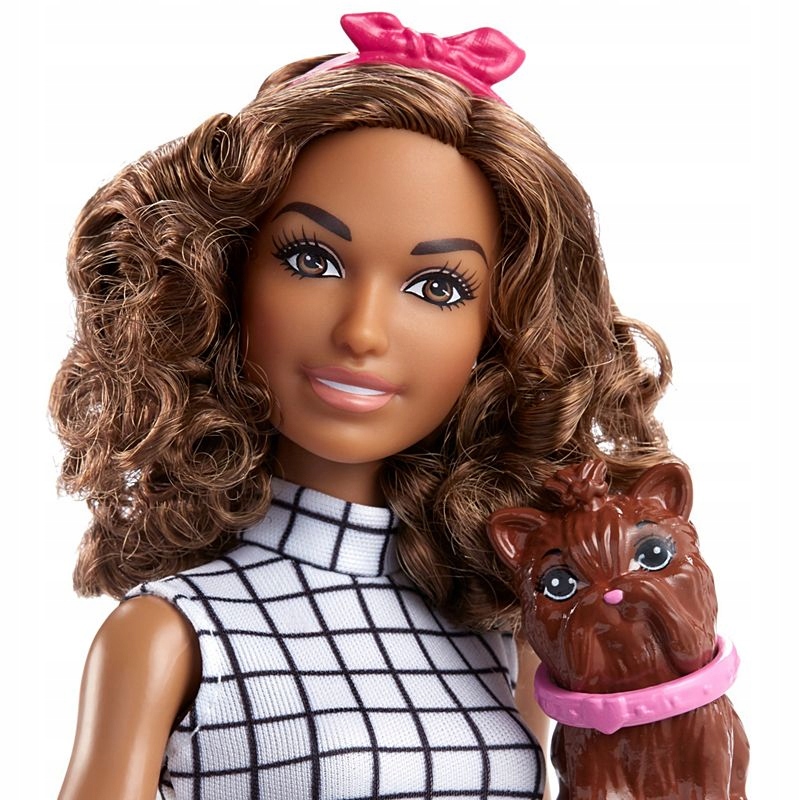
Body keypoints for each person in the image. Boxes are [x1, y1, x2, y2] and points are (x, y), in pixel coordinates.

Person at [52, 12, 671, 800]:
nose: (363, 331)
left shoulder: (497, 630)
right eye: (311, 259)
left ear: (500, 334)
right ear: (222, 279)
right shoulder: (172, 633)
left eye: (437, 287)